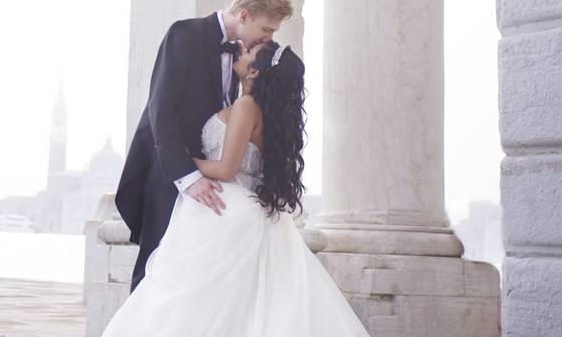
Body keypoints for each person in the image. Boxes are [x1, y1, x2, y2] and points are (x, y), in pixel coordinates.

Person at [103, 44, 370, 336]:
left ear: (254, 70)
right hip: (248, 208)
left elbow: (227, 169)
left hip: (226, 206)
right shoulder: (263, 111)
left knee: (201, 300)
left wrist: (180, 162)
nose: (241, 51)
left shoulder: (246, 106)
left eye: (249, 52)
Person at [115, 0, 293, 290]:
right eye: (267, 29)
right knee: (154, 275)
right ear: (245, 16)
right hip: (170, 173)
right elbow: (161, 111)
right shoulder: (185, 34)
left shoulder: (243, 59)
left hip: (211, 187)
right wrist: (188, 177)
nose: (268, 38)